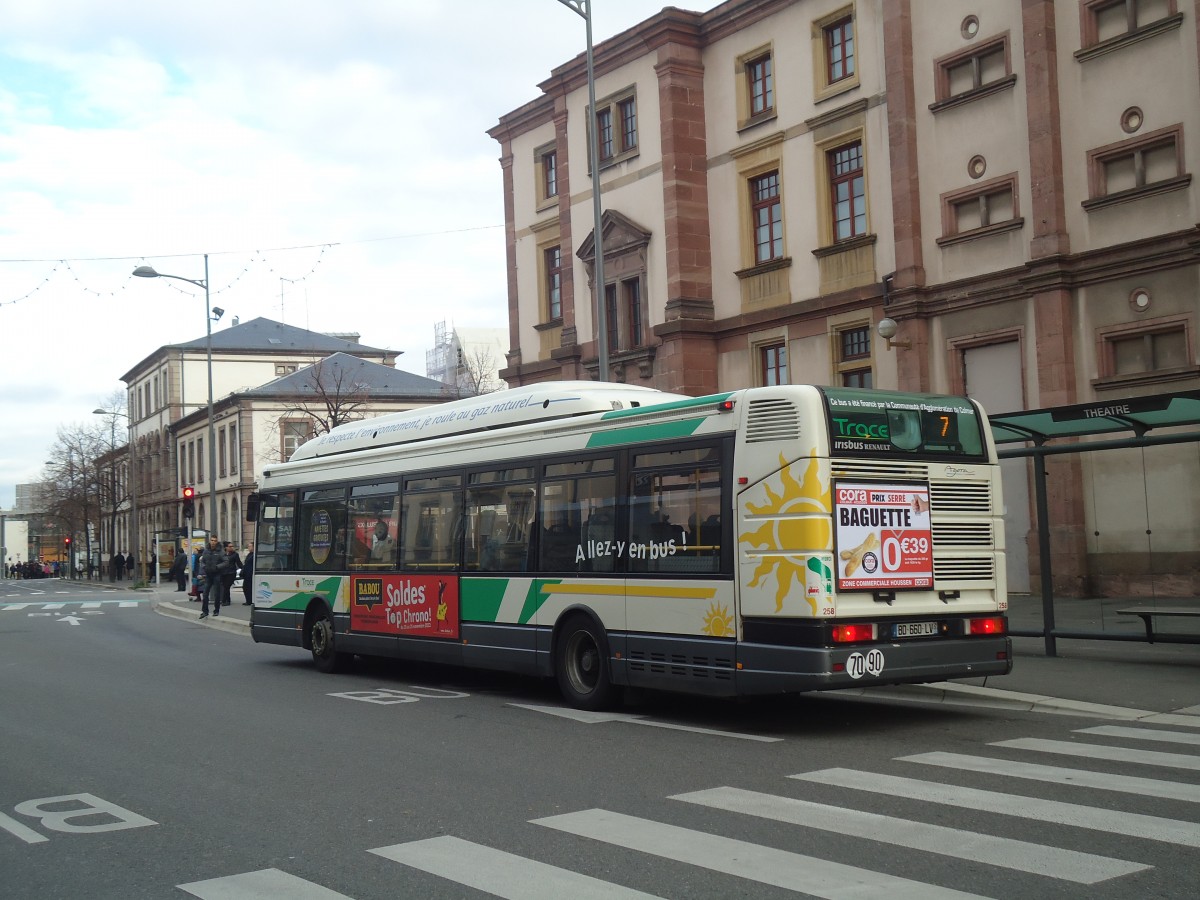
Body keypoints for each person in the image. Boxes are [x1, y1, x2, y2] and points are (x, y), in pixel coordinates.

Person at [198, 535, 227, 620]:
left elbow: (226, 561)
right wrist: (204, 567)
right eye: (212, 540)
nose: (213, 542)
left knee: (216, 593)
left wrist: (217, 567)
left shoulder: (220, 551)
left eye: (215, 541)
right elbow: (202, 561)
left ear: (217, 542)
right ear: (210, 541)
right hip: (208, 574)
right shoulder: (206, 551)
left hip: (216, 574)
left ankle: (216, 610)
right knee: (205, 593)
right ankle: (205, 611)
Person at [221, 542, 242, 607]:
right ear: (226, 547)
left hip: (231, 572)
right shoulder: (222, 554)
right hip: (224, 573)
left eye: (232, 546)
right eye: (230, 546)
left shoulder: (235, 554)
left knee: (227, 586)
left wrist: (243, 569)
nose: (232, 547)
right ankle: (225, 600)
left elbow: (239, 563)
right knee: (225, 587)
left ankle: (226, 601)